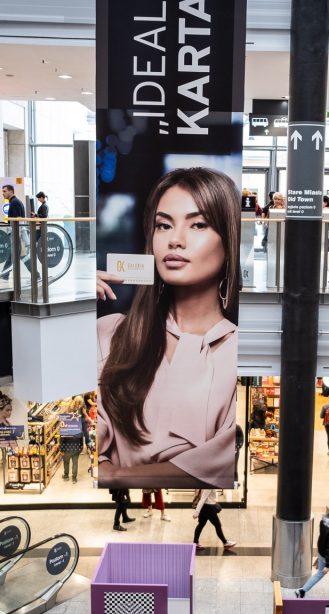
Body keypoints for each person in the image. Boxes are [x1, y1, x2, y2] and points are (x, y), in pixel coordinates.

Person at [95, 168, 240, 489]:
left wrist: (114, 473)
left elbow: (223, 462)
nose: (175, 239)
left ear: (229, 240)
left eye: (198, 224)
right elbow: (86, 434)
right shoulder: (110, 333)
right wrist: (69, 304)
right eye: (163, 225)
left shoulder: (238, 351)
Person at [297, 504, 329, 599]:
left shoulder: (323, 522)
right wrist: (327, 565)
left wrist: (321, 555)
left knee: (319, 573)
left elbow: (322, 538)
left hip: (321, 553)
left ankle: (302, 591)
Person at [0, 184, 27, 284]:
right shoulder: (15, 202)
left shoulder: (14, 202)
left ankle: (37, 275)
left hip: (16, 234)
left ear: (11, 191)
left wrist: (17, 237)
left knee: (23, 256)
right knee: (11, 255)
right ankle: (5, 275)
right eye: (3, 191)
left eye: (4, 191)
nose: (3, 193)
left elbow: (18, 220)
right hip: (15, 234)